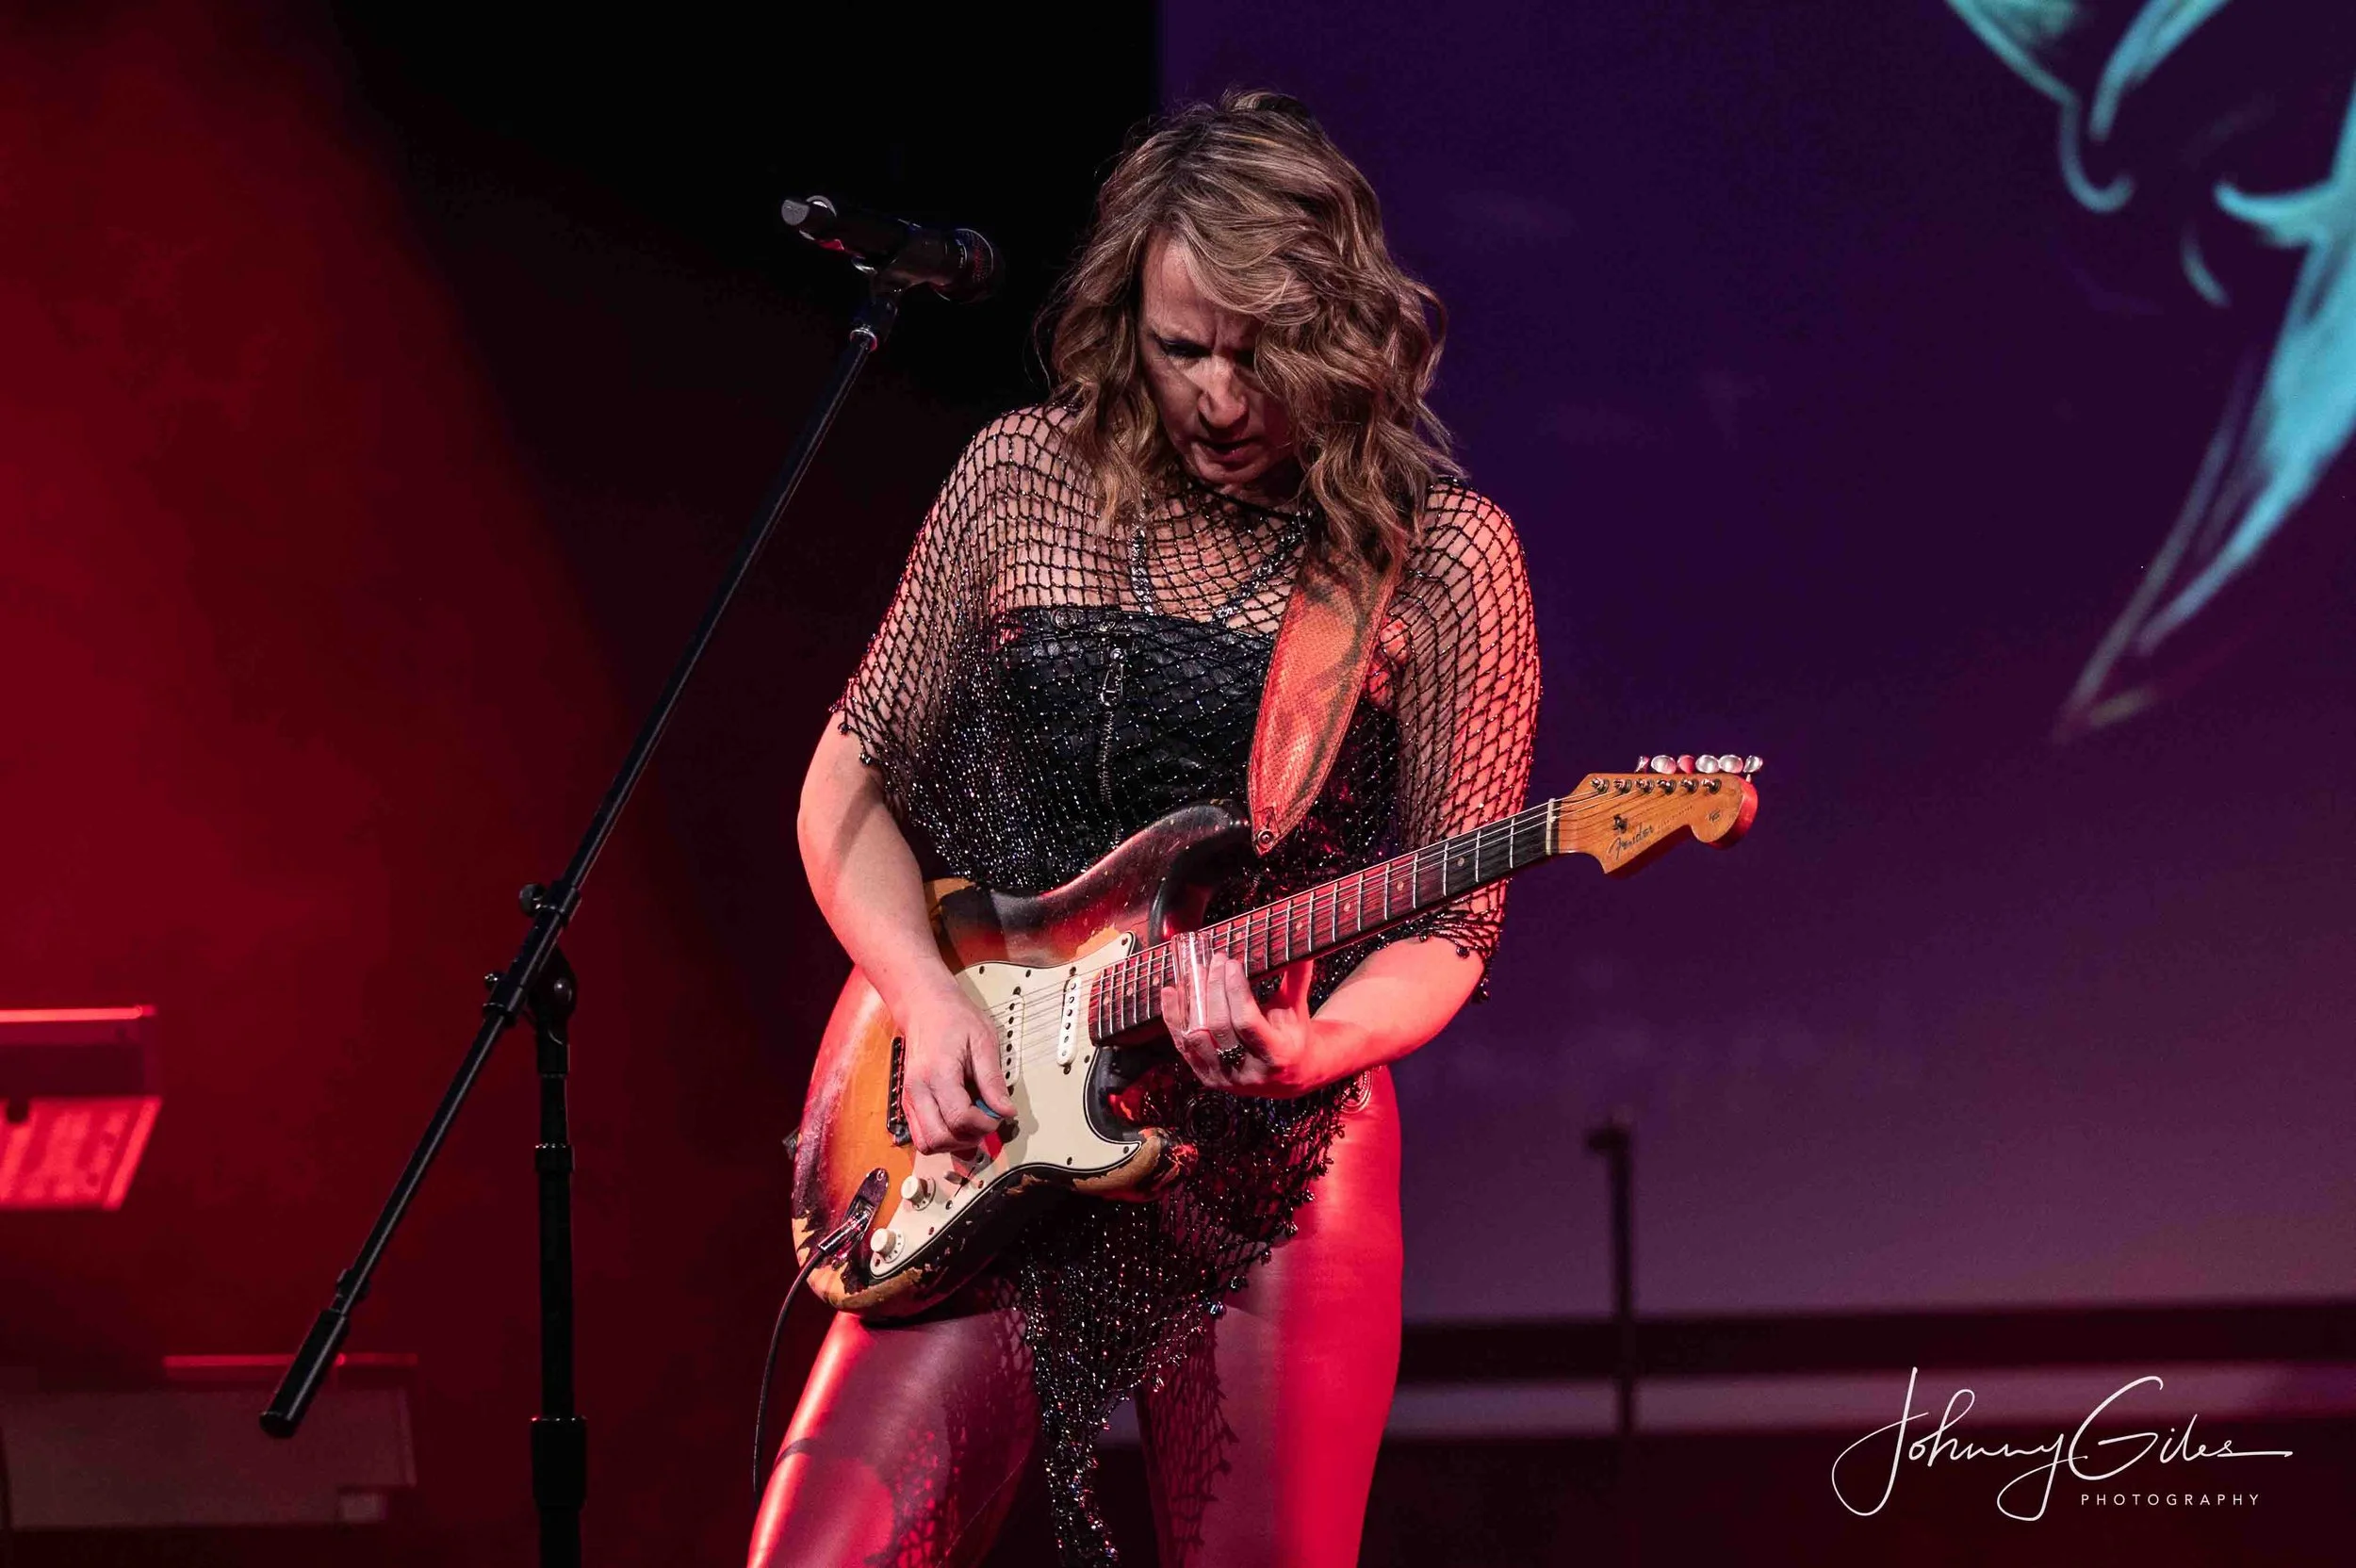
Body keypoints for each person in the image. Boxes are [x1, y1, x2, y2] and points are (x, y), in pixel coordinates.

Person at [749, 89, 1539, 1568]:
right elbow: (842, 784)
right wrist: (926, 995)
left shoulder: (1440, 558)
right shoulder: (1021, 479)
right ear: (1128, 322)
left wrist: (1312, 1047)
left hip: (1272, 1154)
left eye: (1263, 352)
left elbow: (1453, 925)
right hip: (990, 1111)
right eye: (1184, 350)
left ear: (1342, 334)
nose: (1222, 398)